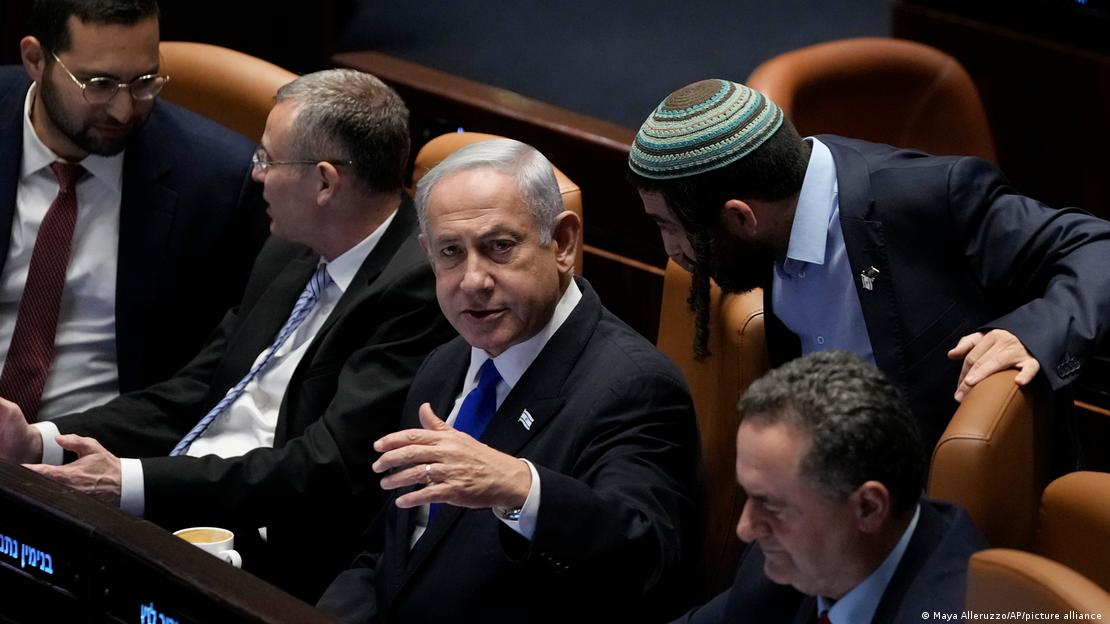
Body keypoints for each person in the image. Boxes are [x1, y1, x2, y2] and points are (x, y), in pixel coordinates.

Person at [0, 68, 456, 602]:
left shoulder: (416, 287)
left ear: (325, 183)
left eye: (267, 159)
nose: (256, 174)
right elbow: (193, 393)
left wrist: (130, 484)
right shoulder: (289, 246)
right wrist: (43, 441)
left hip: (272, 547)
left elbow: (325, 467)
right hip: (179, 496)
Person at [317, 138, 701, 623]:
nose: (473, 280)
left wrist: (519, 488)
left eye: (499, 247)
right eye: (450, 253)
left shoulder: (636, 386)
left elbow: (647, 558)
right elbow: (389, 553)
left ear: (562, 243)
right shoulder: (444, 362)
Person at [628, 79, 1110, 449]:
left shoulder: (933, 196)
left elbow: (1097, 244)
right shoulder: (777, 203)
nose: (670, 250)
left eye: (669, 226)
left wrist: (1035, 332)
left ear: (740, 216)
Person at [0, 0, 268, 421]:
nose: (124, 110)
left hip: (90, 448)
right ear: (35, 59)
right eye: (100, 84)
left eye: (144, 81)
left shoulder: (218, 185)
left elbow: (216, 372)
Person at [673, 350, 987, 624]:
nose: (745, 528)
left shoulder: (960, 609)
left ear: (868, 507)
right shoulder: (782, 566)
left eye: (771, 504)